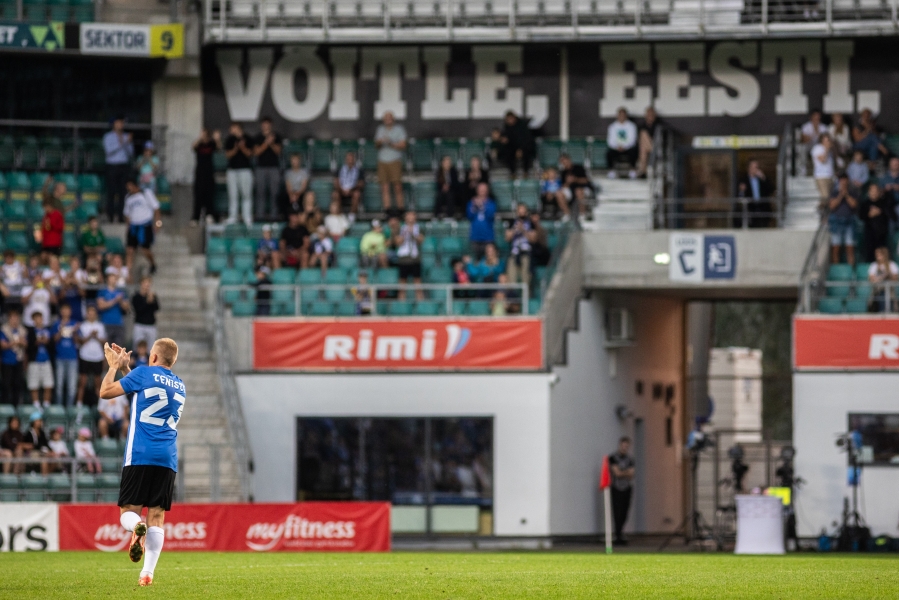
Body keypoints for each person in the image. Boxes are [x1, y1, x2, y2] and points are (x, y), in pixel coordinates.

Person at [100, 338, 184, 587]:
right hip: (167, 457)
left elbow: (105, 392)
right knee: (156, 516)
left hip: (140, 454)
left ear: (154, 357)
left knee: (128, 511)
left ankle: (137, 526)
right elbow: (146, 391)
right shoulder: (179, 385)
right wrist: (128, 368)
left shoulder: (144, 373)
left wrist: (114, 366)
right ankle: (147, 574)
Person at [123, 179, 161, 277]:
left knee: (145, 249)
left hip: (145, 225)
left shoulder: (146, 193)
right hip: (133, 225)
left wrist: (157, 223)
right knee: (130, 250)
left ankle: (153, 264)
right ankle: (127, 273)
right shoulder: (128, 197)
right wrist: (128, 227)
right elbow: (127, 214)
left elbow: (156, 208)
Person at [103, 115, 134, 222]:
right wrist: (122, 143)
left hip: (123, 165)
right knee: (111, 191)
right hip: (112, 166)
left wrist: (127, 143)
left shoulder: (126, 136)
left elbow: (131, 153)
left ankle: (121, 216)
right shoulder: (108, 137)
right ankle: (110, 216)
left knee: (123, 192)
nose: (121, 125)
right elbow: (109, 151)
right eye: (119, 123)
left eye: (122, 123)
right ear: (114, 124)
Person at [375, 111, 407, 211]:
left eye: (389, 118)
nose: (388, 120)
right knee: (384, 187)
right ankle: (387, 210)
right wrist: (380, 142)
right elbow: (376, 145)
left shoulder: (399, 129)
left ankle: (400, 209)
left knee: (397, 186)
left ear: (393, 119)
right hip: (382, 161)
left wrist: (390, 143)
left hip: (394, 160)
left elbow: (403, 145)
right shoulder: (380, 129)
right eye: (386, 118)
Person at [224, 122, 254, 225]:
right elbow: (228, 155)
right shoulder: (230, 139)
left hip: (245, 169)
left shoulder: (248, 138)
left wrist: (242, 147)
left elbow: (250, 154)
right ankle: (233, 216)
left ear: (238, 128)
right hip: (232, 170)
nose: (231, 130)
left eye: (233, 128)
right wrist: (236, 148)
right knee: (233, 195)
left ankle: (247, 216)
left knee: (246, 194)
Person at [253, 117, 283, 221]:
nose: (266, 126)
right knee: (260, 193)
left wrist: (272, 143)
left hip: (274, 168)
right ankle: (260, 215)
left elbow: (278, 152)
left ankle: (274, 215)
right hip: (261, 168)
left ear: (271, 125)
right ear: (262, 125)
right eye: (264, 124)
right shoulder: (258, 137)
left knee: (275, 193)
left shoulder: (276, 137)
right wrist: (266, 143)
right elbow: (256, 152)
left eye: (268, 124)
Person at [77, 305, 107, 407]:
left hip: (97, 357)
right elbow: (80, 341)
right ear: (87, 315)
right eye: (89, 314)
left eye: (93, 314)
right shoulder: (82, 326)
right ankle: (79, 404)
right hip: (85, 356)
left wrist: (96, 336)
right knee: (82, 382)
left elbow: (104, 342)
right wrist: (90, 335)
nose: (91, 316)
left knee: (97, 382)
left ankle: (100, 404)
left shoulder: (100, 326)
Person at [608, 436, 635, 545]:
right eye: (623, 446)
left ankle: (620, 533)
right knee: (617, 512)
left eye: (626, 446)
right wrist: (626, 472)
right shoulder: (613, 458)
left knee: (625, 512)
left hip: (627, 488)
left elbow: (631, 475)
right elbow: (617, 473)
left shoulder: (630, 459)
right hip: (616, 488)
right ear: (620, 445)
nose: (624, 448)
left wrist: (622, 472)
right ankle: (617, 534)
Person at [53, 303, 80, 408]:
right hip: (60, 357)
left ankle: (70, 408)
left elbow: (77, 342)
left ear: (70, 312)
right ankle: (59, 408)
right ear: (61, 312)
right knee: (59, 385)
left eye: (67, 310)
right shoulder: (56, 324)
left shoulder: (74, 323)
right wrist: (61, 330)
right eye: (63, 310)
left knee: (72, 386)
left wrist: (74, 332)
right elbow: (54, 340)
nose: (65, 312)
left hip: (72, 358)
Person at [191, 128, 220, 226]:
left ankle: (209, 214)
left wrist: (217, 139)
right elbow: (193, 147)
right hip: (200, 173)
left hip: (209, 173)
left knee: (209, 195)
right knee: (198, 195)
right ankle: (196, 217)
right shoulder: (199, 144)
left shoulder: (211, 144)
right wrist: (200, 138)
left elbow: (218, 148)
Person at [860, 184, 894, 263]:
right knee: (870, 254)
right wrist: (869, 214)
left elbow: (892, 216)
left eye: (875, 191)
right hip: (870, 233)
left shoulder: (884, 202)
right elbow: (861, 216)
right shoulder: (865, 203)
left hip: (882, 234)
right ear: (869, 192)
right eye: (872, 191)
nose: (874, 193)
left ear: (879, 192)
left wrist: (880, 211)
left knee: (883, 253)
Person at [26, 311, 54, 409]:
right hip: (34, 361)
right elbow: (28, 347)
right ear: (33, 320)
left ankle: (46, 405)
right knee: (34, 384)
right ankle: (36, 405)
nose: (39, 321)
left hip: (46, 360)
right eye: (37, 319)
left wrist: (47, 342)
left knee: (48, 383)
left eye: (40, 318)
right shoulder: (30, 332)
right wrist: (36, 342)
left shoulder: (47, 331)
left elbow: (52, 346)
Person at [394, 211, 424, 300]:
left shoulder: (419, 228)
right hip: (404, 258)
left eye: (412, 217)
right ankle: (401, 302)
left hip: (415, 258)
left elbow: (420, 240)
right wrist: (405, 233)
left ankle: (420, 302)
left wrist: (413, 233)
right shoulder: (400, 228)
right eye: (408, 217)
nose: (410, 219)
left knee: (417, 282)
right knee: (402, 282)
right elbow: (397, 242)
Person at [737, 160, 775, 228]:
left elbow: (771, 189)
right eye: (754, 167)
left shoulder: (762, 179)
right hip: (750, 209)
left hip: (763, 209)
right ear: (749, 168)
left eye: (757, 167)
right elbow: (740, 197)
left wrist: (763, 177)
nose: (756, 169)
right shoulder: (743, 180)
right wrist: (741, 191)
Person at [1, 310, 27, 406]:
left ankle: (16, 407)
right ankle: (5, 406)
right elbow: (3, 345)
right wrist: (15, 342)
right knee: (6, 385)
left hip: (18, 360)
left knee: (17, 384)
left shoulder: (22, 330)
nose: (15, 320)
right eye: (13, 318)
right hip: (7, 361)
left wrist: (18, 342)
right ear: (9, 319)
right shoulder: (4, 330)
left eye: (16, 318)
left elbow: (26, 344)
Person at [97, 274, 129, 347]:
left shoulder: (121, 292)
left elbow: (126, 308)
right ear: (107, 280)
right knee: (107, 347)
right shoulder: (103, 292)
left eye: (114, 279)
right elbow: (101, 306)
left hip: (119, 323)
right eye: (111, 278)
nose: (113, 280)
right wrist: (115, 300)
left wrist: (120, 301)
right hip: (106, 323)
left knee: (119, 347)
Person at [505, 204, 534, 286]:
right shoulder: (512, 222)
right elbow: (507, 238)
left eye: (523, 211)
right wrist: (515, 229)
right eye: (520, 211)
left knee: (525, 278)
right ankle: (513, 293)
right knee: (511, 278)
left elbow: (533, 239)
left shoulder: (530, 223)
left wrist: (523, 230)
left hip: (526, 253)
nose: (521, 213)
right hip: (514, 252)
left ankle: (526, 292)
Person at [467, 182, 497, 260]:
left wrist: (481, 205)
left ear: (487, 191)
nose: (482, 191)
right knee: (476, 260)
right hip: (475, 237)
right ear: (477, 190)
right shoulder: (471, 202)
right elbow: (469, 216)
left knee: (488, 260)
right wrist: (474, 206)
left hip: (488, 237)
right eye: (480, 189)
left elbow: (490, 215)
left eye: (484, 189)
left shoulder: (491, 203)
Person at [606, 108, 638, 178]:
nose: (622, 117)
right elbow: (610, 141)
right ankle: (611, 171)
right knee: (609, 153)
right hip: (616, 148)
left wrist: (624, 147)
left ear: (626, 116)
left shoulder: (631, 126)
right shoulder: (612, 126)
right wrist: (617, 147)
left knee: (634, 151)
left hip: (628, 148)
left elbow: (632, 140)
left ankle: (632, 170)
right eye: (620, 115)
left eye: (623, 115)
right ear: (617, 116)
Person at [559, 153, 594, 218]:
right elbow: (563, 186)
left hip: (583, 188)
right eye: (562, 161)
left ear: (569, 160)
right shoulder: (563, 172)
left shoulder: (579, 168)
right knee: (559, 194)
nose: (564, 163)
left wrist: (575, 179)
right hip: (570, 189)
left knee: (578, 191)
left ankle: (582, 213)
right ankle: (567, 214)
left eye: (565, 160)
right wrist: (568, 182)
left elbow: (586, 180)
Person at [131, 277, 160, 350]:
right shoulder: (136, 297)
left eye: (148, 283)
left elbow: (157, 308)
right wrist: (147, 302)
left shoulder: (152, 296)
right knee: (137, 346)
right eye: (145, 283)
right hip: (140, 324)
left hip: (150, 325)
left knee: (151, 348)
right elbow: (138, 309)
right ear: (141, 284)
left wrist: (152, 300)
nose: (147, 285)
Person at [868, 247, 899, 313]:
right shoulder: (874, 265)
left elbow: (896, 278)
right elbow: (871, 279)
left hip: (890, 290)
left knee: (888, 294)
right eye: (876, 255)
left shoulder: (892, 264)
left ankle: (889, 310)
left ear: (884, 255)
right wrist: (882, 277)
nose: (877, 256)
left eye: (879, 254)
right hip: (878, 290)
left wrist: (888, 275)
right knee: (881, 294)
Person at [811, 133, 835, 206]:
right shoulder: (817, 148)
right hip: (821, 176)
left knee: (830, 197)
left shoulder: (830, 151)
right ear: (822, 141)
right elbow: (823, 160)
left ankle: (824, 210)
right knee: (825, 196)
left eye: (828, 140)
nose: (828, 142)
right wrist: (826, 149)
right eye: (826, 140)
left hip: (830, 176)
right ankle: (820, 210)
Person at [637, 106, 660, 178]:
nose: (651, 116)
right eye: (649, 115)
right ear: (646, 116)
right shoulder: (641, 126)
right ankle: (645, 171)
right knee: (643, 135)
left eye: (652, 115)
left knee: (643, 143)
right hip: (647, 147)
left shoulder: (658, 126)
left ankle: (643, 171)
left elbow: (659, 138)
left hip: (656, 146)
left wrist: (651, 140)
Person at [435, 155, 461, 219]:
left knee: (450, 196)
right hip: (442, 191)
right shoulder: (439, 172)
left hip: (451, 190)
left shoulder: (453, 171)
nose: (447, 164)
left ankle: (450, 215)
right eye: (445, 162)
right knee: (438, 196)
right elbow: (438, 184)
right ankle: (437, 215)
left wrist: (449, 186)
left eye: (448, 162)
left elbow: (456, 184)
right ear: (442, 163)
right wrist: (443, 187)